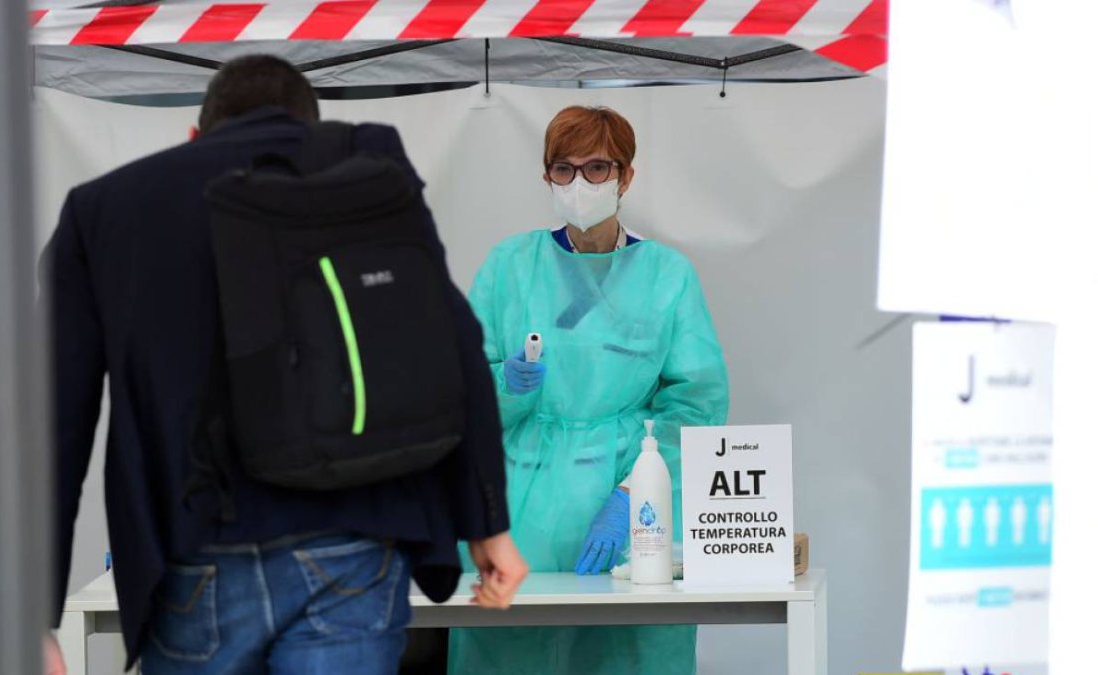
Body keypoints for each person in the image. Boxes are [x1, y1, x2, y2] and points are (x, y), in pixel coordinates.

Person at [41, 55, 526, 675]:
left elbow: (53, 413)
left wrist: (34, 610)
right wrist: (488, 524)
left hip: (199, 548)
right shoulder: (365, 179)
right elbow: (456, 342)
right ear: (310, 127)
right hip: (355, 536)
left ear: (195, 135)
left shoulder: (104, 209)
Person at [448, 106, 729, 674]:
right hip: (520, 501)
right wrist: (505, 384)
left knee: (630, 650)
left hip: (629, 500)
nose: (580, 184)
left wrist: (635, 496)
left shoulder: (667, 275)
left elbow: (696, 401)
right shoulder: (510, 265)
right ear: (546, 176)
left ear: (626, 176)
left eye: (597, 168)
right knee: (513, 650)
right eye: (564, 169)